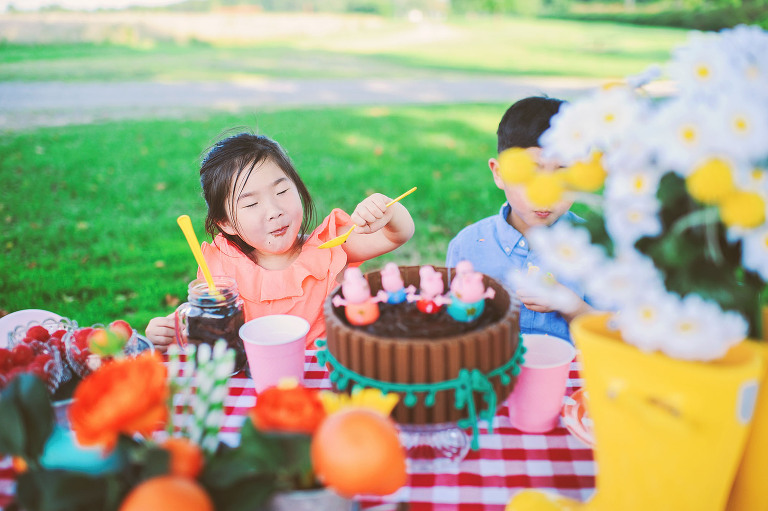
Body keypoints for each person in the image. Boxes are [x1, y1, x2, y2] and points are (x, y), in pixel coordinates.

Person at [147, 132, 415, 351]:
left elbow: (396, 234)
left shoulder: (330, 248)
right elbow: (204, 327)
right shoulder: (222, 268)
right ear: (226, 222)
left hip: (323, 379)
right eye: (251, 203)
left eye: (282, 190)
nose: (274, 210)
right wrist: (167, 330)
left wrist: (387, 211)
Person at [445, 96, 592, 342]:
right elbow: (449, 322)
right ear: (499, 174)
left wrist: (570, 304)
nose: (545, 192)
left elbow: (609, 330)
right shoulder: (468, 247)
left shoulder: (594, 247)